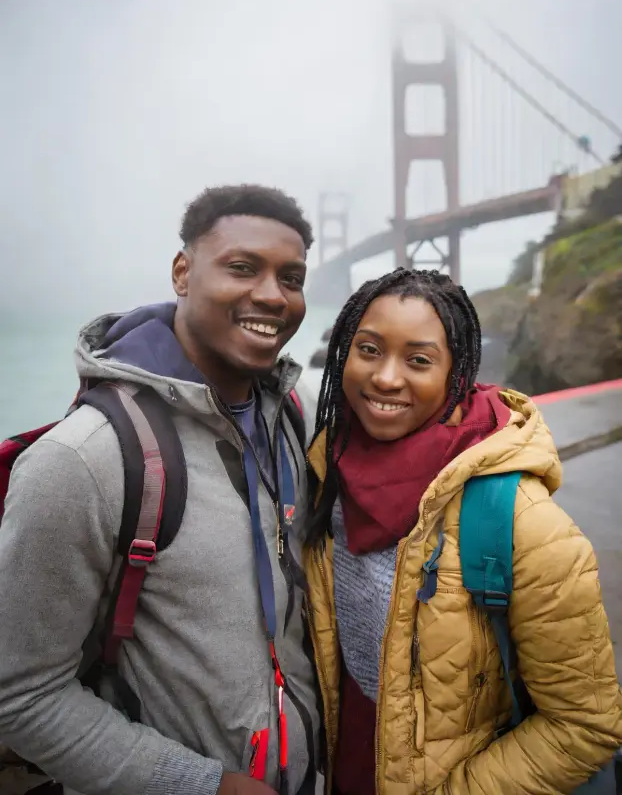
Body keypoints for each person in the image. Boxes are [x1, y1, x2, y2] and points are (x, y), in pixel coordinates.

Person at [0, 185, 321, 795]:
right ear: (182, 272)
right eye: (242, 268)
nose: (272, 296)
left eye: (292, 277)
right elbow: (20, 693)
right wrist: (205, 786)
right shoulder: (84, 459)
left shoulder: (289, 419)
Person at [303, 267, 622, 794]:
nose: (385, 377)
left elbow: (584, 725)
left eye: (419, 360)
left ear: (457, 374)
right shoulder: (325, 475)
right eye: (369, 349)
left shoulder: (522, 519)